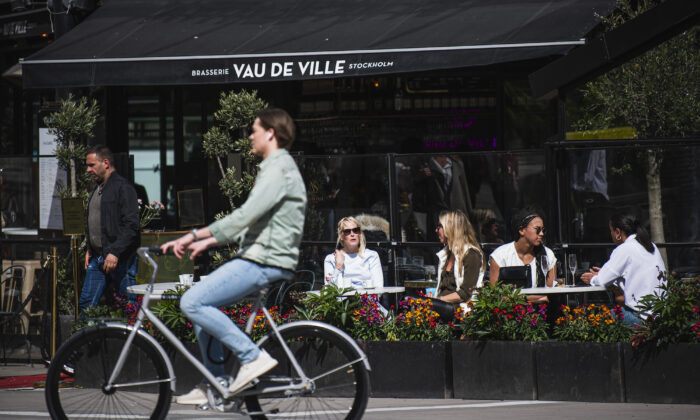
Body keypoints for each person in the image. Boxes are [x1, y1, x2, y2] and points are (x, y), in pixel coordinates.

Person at [161, 108, 306, 404]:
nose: (250, 136)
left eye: (254, 130)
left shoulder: (279, 169)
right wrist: (209, 242)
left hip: (264, 259)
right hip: (262, 255)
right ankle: (216, 381)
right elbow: (254, 222)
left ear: (270, 133)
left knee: (191, 301)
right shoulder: (274, 167)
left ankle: (251, 357)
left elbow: (244, 216)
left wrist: (193, 235)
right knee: (203, 306)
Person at [80, 145, 140, 312]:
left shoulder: (123, 187)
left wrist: (115, 252)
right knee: (86, 306)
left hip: (120, 259)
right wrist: (90, 248)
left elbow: (132, 226)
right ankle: (84, 337)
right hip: (98, 257)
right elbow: (99, 223)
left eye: (91, 165)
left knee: (129, 306)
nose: (88, 170)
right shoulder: (99, 188)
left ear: (105, 162)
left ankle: (133, 338)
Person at [580, 212, 666, 326]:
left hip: (640, 316)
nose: (610, 234)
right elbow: (637, 275)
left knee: (595, 322)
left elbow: (602, 281)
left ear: (618, 232)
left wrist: (592, 278)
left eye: (611, 231)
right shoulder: (650, 245)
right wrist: (606, 275)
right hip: (660, 314)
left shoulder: (624, 249)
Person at [489, 209, 557, 302]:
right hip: (509, 312)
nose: (541, 234)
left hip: (541, 310)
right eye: (537, 229)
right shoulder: (500, 255)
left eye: (543, 230)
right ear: (521, 230)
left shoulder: (548, 255)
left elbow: (550, 293)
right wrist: (527, 299)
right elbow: (495, 294)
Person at [434, 210, 484, 311]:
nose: (436, 230)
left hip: (459, 311)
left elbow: (465, 293)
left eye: (439, 226)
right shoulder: (447, 254)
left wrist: (437, 300)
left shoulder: (471, 254)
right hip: (444, 308)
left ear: (450, 228)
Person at [324, 217, 383, 289]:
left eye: (356, 230)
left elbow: (379, 287)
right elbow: (328, 290)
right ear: (341, 236)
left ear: (359, 233)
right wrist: (338, 266)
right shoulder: (331, 259)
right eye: (347, 231)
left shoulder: (371, 256)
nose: (352, 234)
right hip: (341, 300)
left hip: (366, 299)